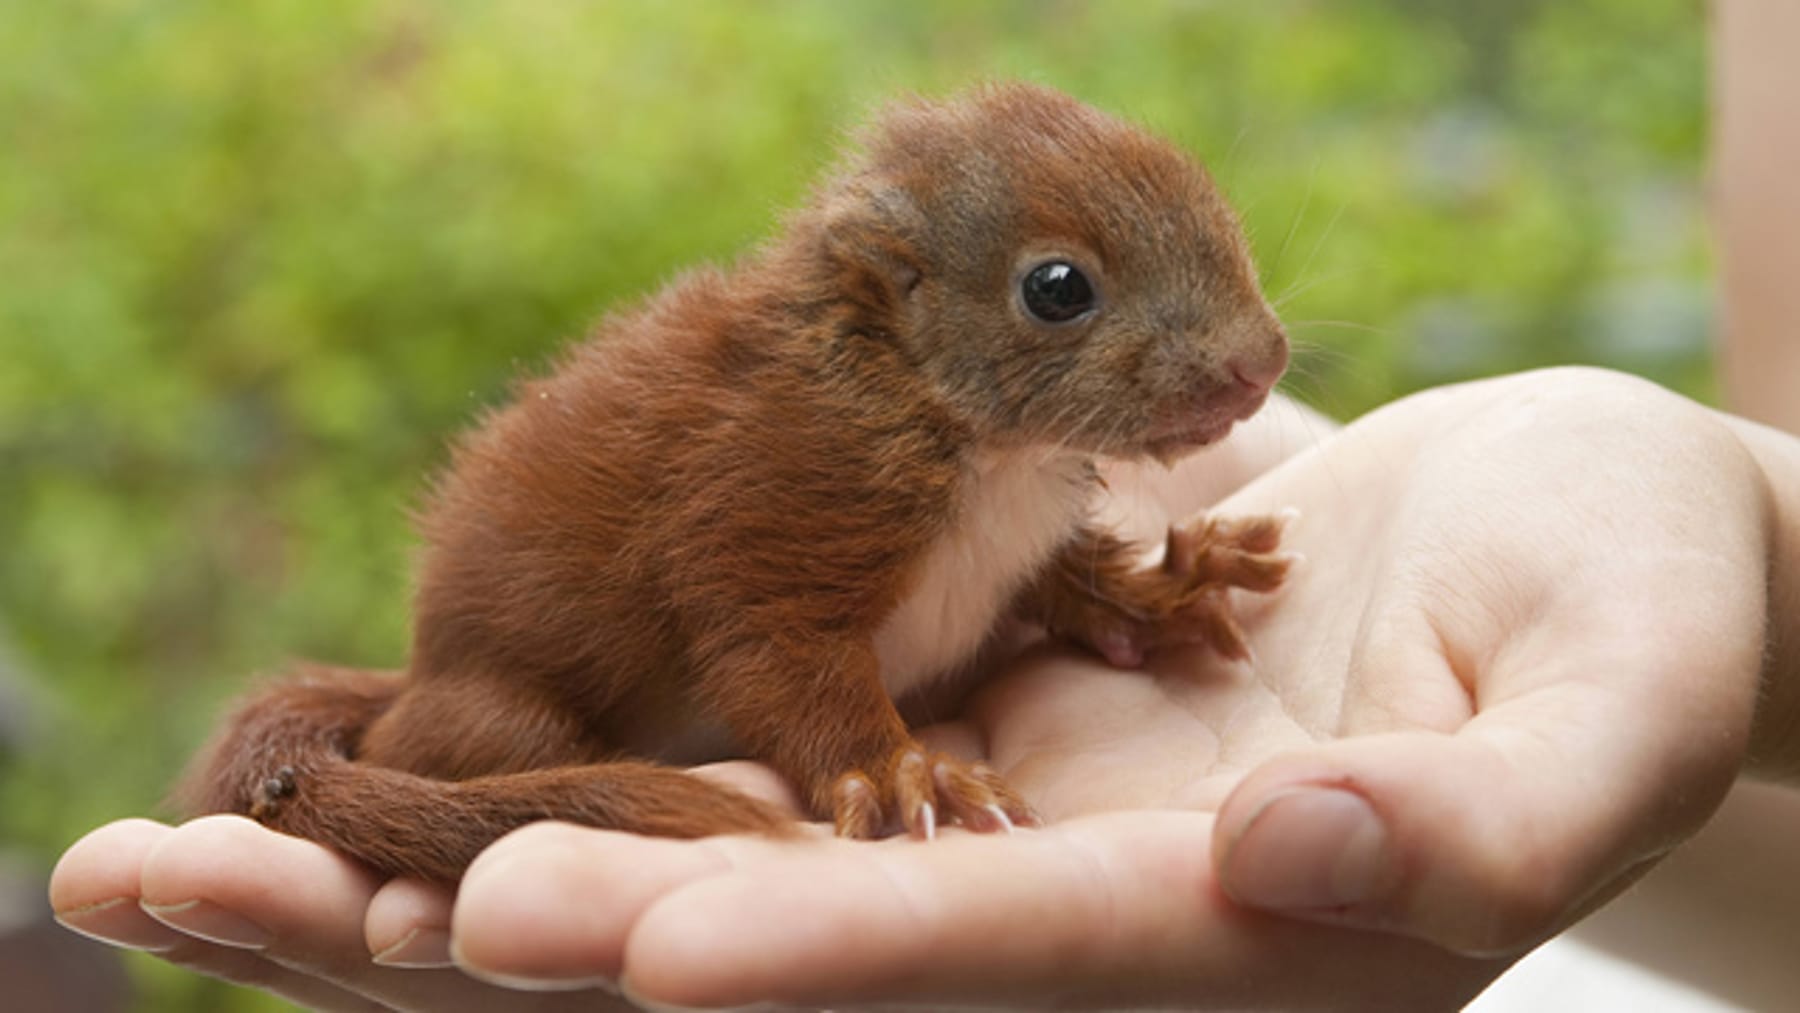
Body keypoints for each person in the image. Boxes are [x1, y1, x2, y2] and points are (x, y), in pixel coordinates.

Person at [48, 367, 1800, 1010]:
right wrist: (865, 755)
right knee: (510, 766)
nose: (1239, 359)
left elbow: (1022, 556)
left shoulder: (1001, 457)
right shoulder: (838, 447)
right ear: (907, 317)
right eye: (1069, 304)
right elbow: (773, 630)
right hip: (544, 684)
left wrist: (1137, 592)